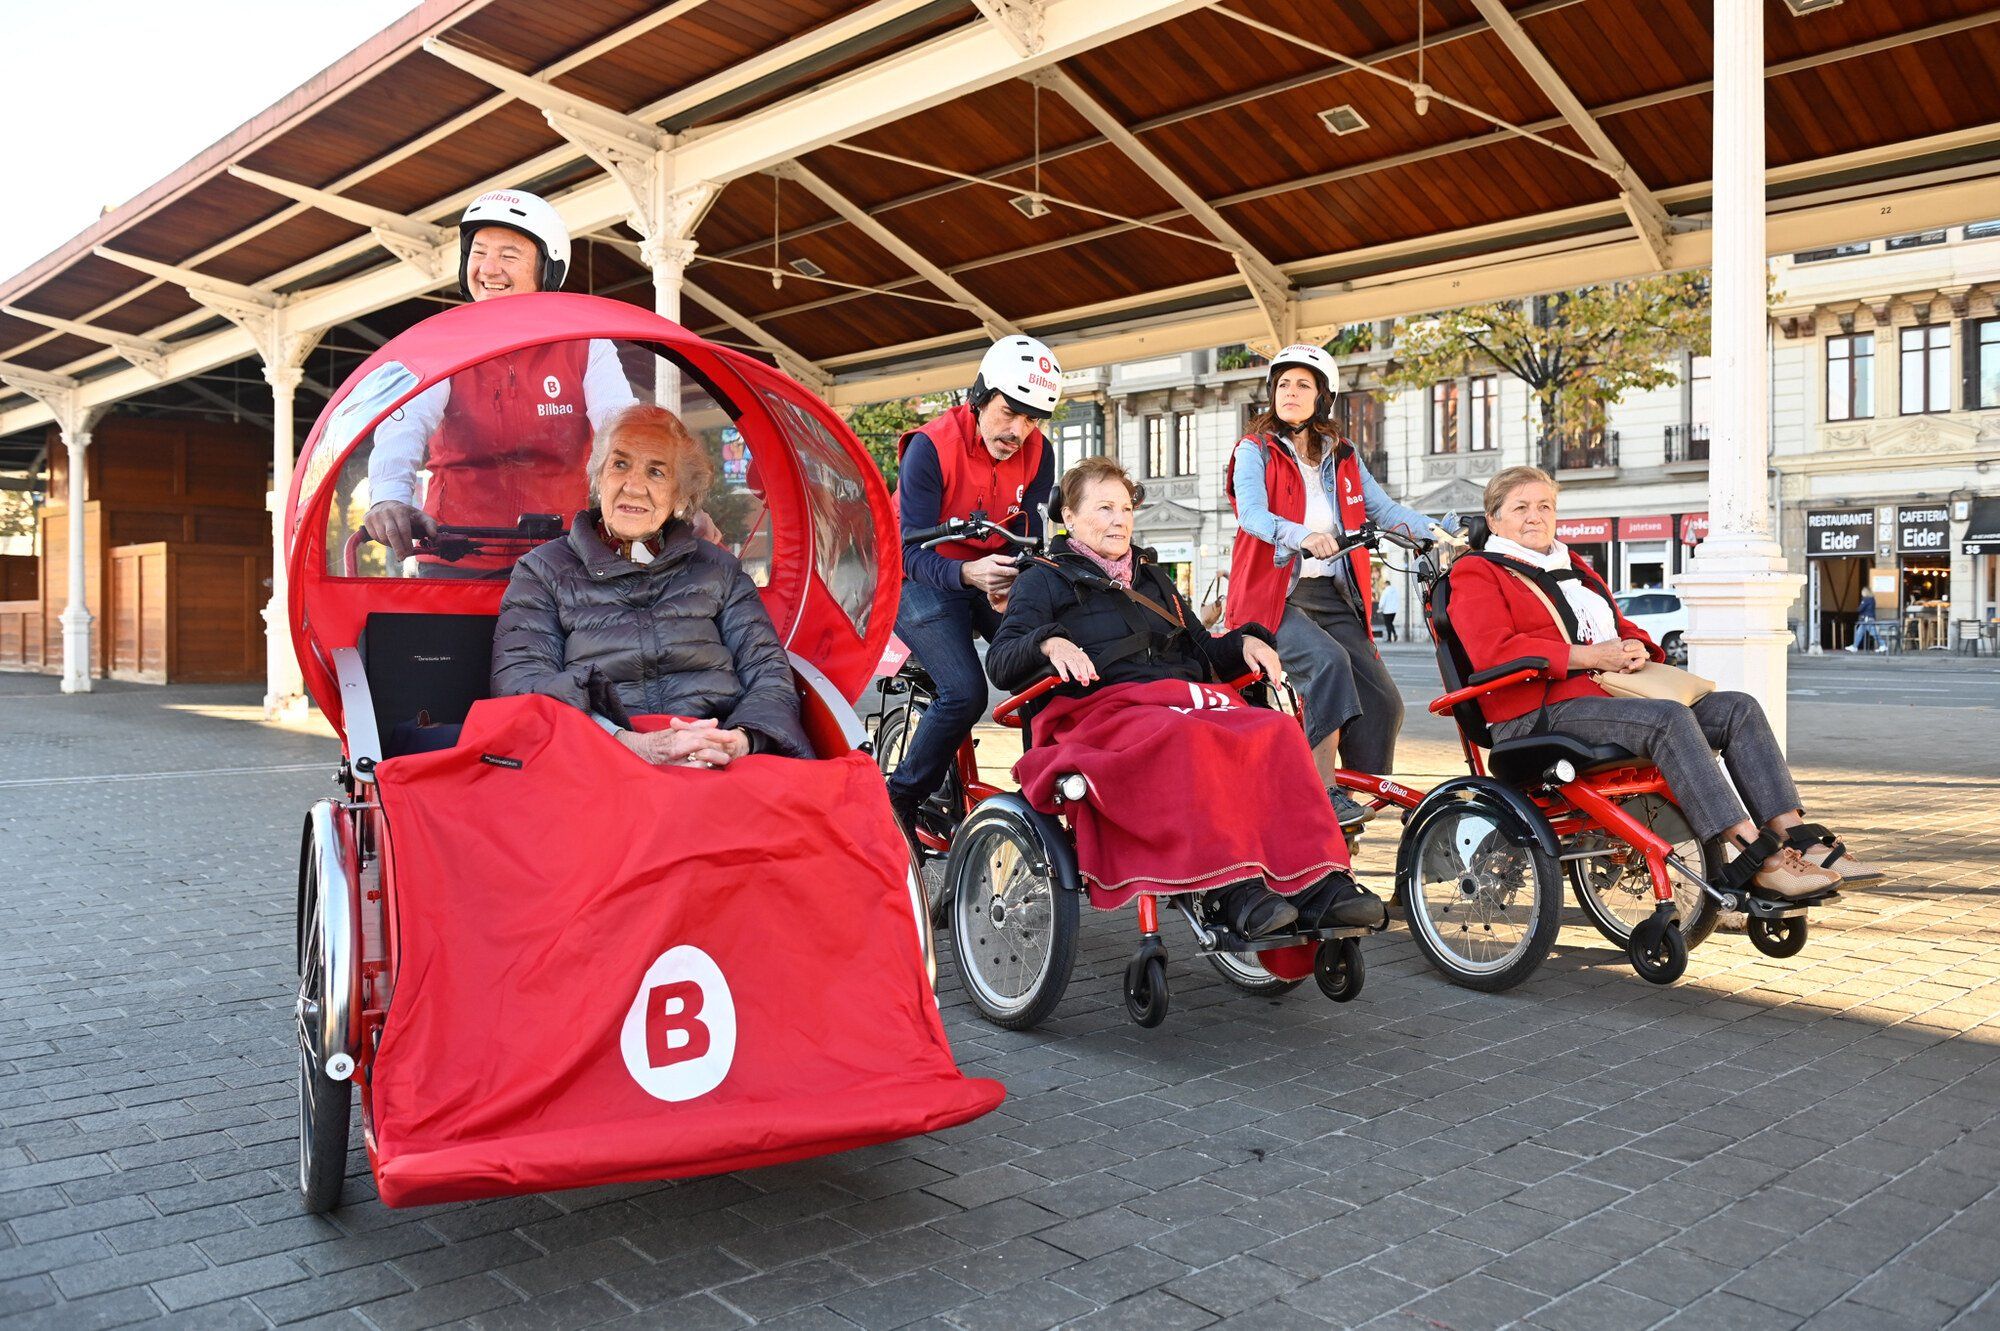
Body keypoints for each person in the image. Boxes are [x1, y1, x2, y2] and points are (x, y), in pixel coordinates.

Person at [988, 457, 1386, 940]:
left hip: (1180, 701)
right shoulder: (1043, 577)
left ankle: (1317, 884)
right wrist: (1048, 643)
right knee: (1186, 736)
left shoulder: (1153, 577)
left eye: (1126, 508)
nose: (1120, 519)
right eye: (1105, 508)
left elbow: (1203, 650)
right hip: (1102, 714)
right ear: (1069, 518)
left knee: (1276, 730)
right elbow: (1002, 660)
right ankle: (1228, 891)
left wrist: (1245, 642)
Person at [1448, 466, 1880, 895]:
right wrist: (1589, 656)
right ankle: (1757, 856)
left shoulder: (1570, 564)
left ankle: (1797, 836)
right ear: (1494, 520)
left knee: (1737, 708)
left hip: (1606, 694)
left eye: (1545, 506)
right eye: (1520, 507)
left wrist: (1636, 647)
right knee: (1667, 719)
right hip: (1534, 709)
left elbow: (1618, 623)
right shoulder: (1476, 571)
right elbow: (1493, 651)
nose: (1534, 516)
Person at [490, 403, 810, 762]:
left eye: (656, 472)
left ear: (681, 496)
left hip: (718, 759)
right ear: (598, 478)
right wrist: (632, 745)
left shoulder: (720, 569)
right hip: (596, 760)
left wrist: (737, 741)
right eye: (620, 464)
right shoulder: (542, 571)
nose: (634, 486)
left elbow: (769, 676)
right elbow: (520, 687)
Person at [1227, 344, 1459, 827]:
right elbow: (1251, 515)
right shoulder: (1254, 450)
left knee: (1384, 703)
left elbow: (1387, 513)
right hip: (1273, 598)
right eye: (1283, 384)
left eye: (1303, 385)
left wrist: (1445, 535)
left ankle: (1359, 808)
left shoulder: (1344, 456)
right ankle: (1324, 793)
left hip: (1334, 598)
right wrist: (1302, 536)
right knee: (1328, 665)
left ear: (1322, 398)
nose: (1290, 393)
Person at [364, 189, 639, 570]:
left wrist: (666, 501)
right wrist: (389, 496)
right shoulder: (443, 342)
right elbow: (404, 424)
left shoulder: (587, 344)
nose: (489, 269)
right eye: (478, 253)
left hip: (560, 556)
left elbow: (621, 428)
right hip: (455, 554)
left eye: (509, 255)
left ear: (547, 268)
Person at [885, 335, 1062, 832]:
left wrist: (1016, 577)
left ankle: (1042, 791)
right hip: (920, 576)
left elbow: (1028, 533)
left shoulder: (1038, 452)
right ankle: (898, 798)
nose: (1019, 431)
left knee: (1042, 672)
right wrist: (965, 573)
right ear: (980, 395)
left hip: (989, 573)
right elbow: (906, 551)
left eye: (1032, 420)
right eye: (1010, 412)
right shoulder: (928, 447)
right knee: (964, 693)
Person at [1848, 588, 1884, 652]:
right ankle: (1854, 646)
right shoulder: (1872, 599)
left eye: (1862, 592)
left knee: (1873, 633)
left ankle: (1883, 645)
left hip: (1867, 619)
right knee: (1859, 632)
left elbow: (1860, 608)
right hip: (1869, 618)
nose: (1861, 593)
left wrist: (1858, 608)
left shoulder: (1866, 599)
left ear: (1865, 592)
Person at [1378, 575, 1402, 642]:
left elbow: (1382, 601)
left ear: (1386, 584)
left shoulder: (1385, 591)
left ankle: (1389, 638)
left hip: (1387, 610)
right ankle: (1394, 634)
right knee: (1390, 623)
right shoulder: (1395, 591)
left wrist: (1380, 607)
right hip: (1394, 610)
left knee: (1388, 624)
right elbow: (1398, 599)